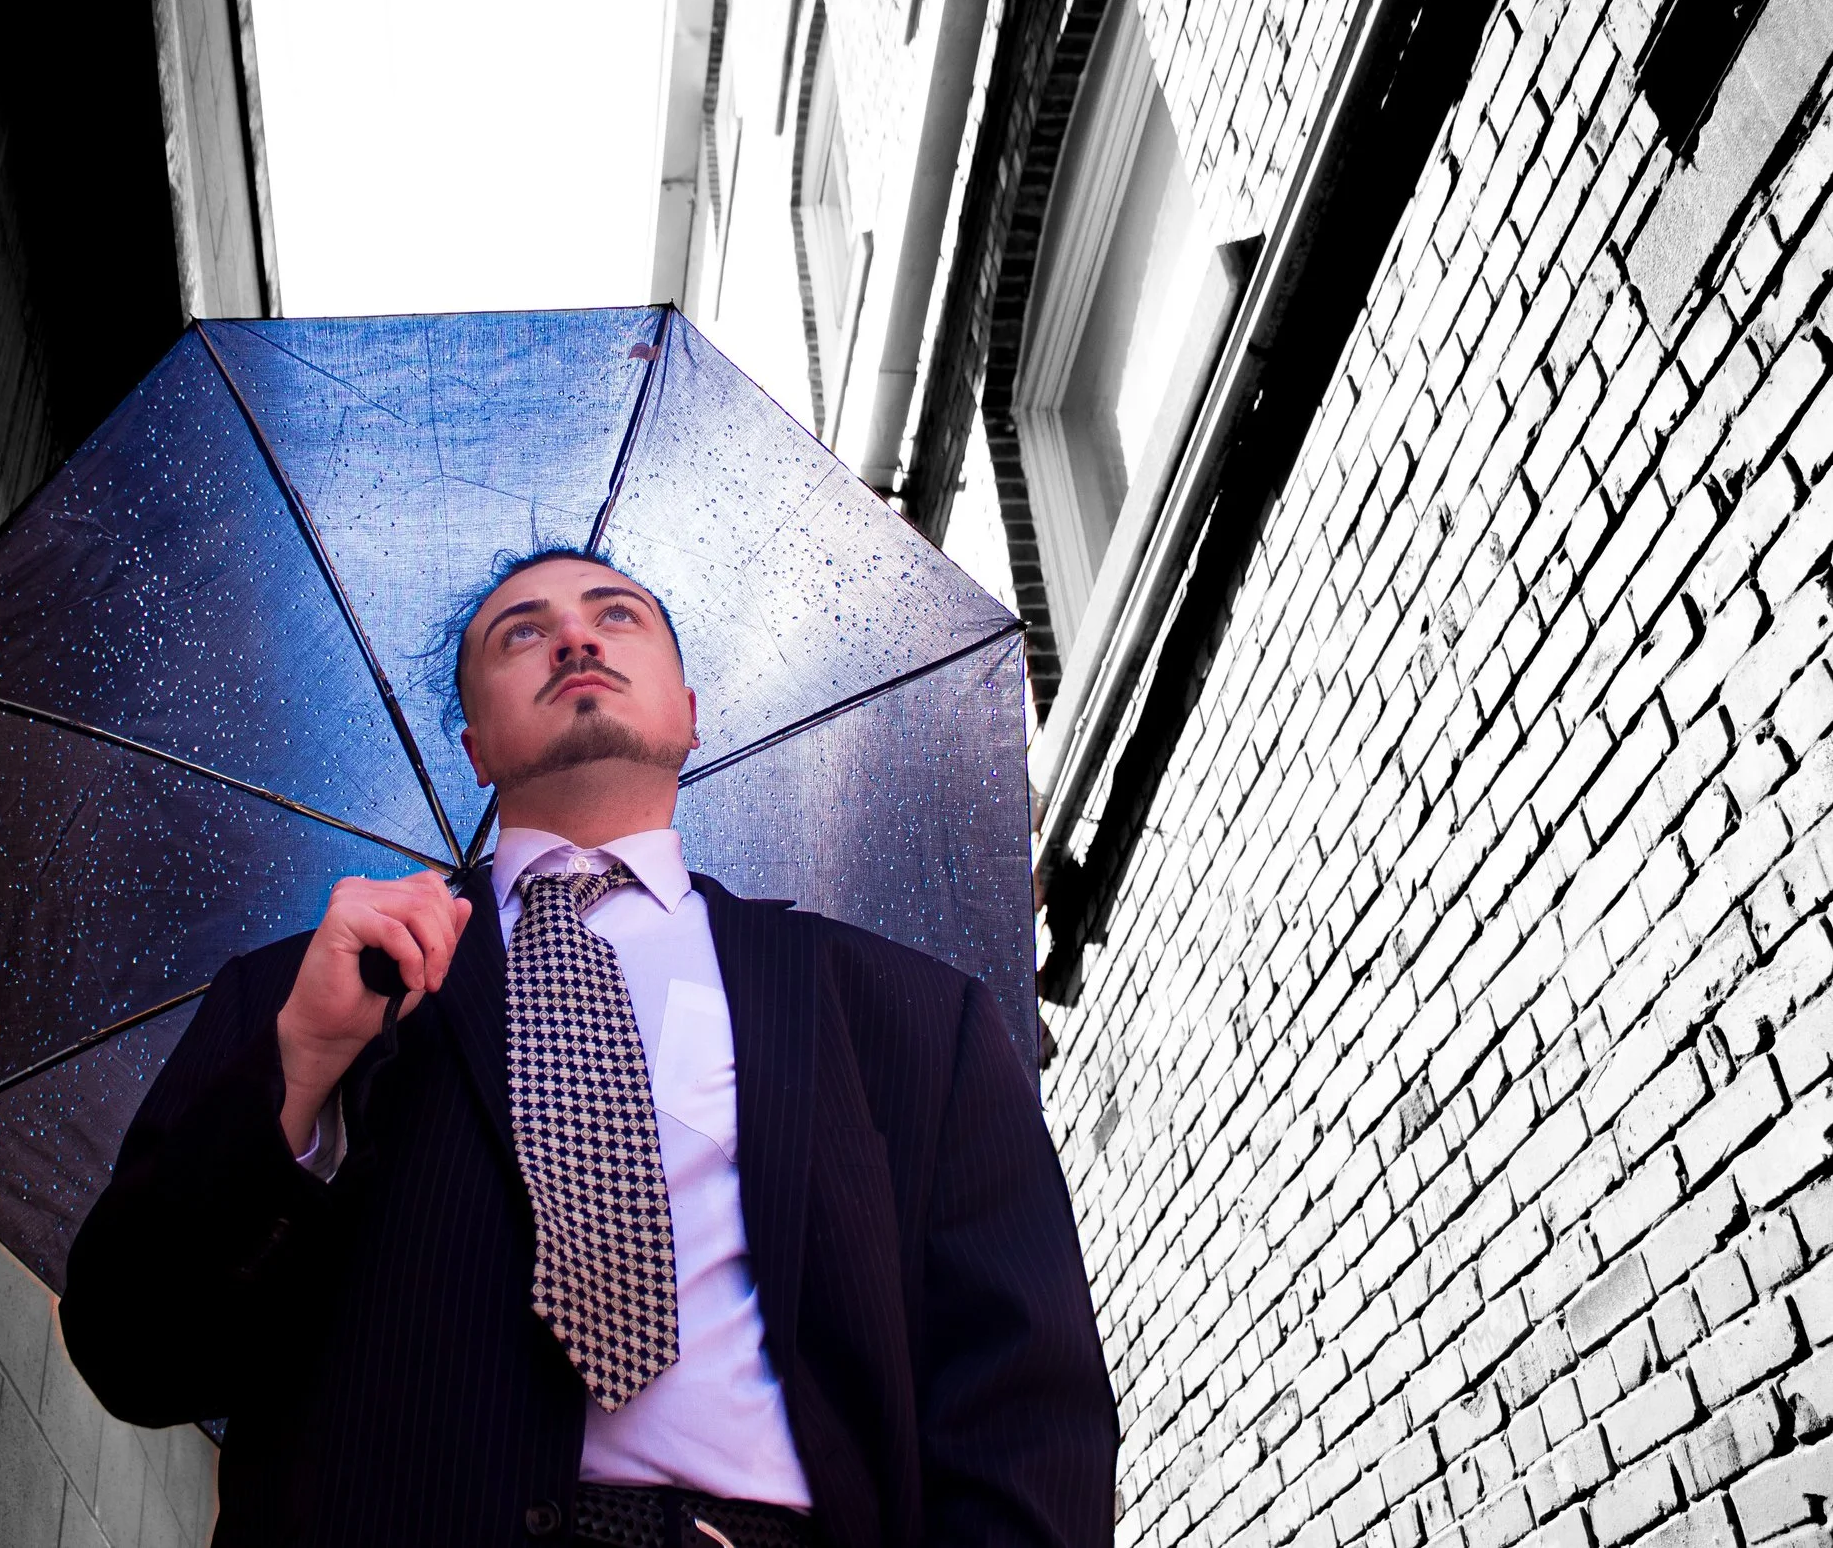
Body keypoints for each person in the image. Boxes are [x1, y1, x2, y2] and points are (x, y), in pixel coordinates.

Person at [61, 549, 1117, 1548]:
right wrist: (304, 1059)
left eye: (618, 615)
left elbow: (1026, 1400)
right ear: (475, 748)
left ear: (690, 714)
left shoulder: (911, 1016)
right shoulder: (313, 987)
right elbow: (134, 1352)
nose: (576, 638)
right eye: (521, 633)